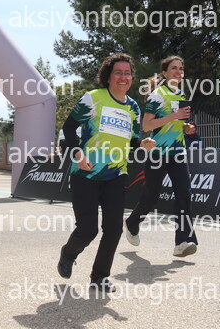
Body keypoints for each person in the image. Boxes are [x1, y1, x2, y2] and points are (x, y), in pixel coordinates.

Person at [57, 53, 156, 292]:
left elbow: (131, 140)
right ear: (108, 76)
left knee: (113, 228)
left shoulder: (133, 107)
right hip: (86, 173)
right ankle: (68, 253)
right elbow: (69, 128)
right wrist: (78, 155)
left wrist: (141, 144)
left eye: (127, 73)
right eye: (118, 72)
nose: (123, 77)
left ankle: (99, 276)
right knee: (88, 230)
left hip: (116, 174)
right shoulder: (93, 98)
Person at [124, 55, 199, 258]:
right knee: (152, 196)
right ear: (165, 73)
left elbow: (177, 125)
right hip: (158, 153)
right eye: (174, 68)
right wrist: (175, 116)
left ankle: (182, 242)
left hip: (178, 152)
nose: (178, 72)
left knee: (184, 194)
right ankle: (132, 222)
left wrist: (187, 128)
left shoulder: (181, 94)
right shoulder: (157, 95)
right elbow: (147, 125)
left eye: (181, 68)